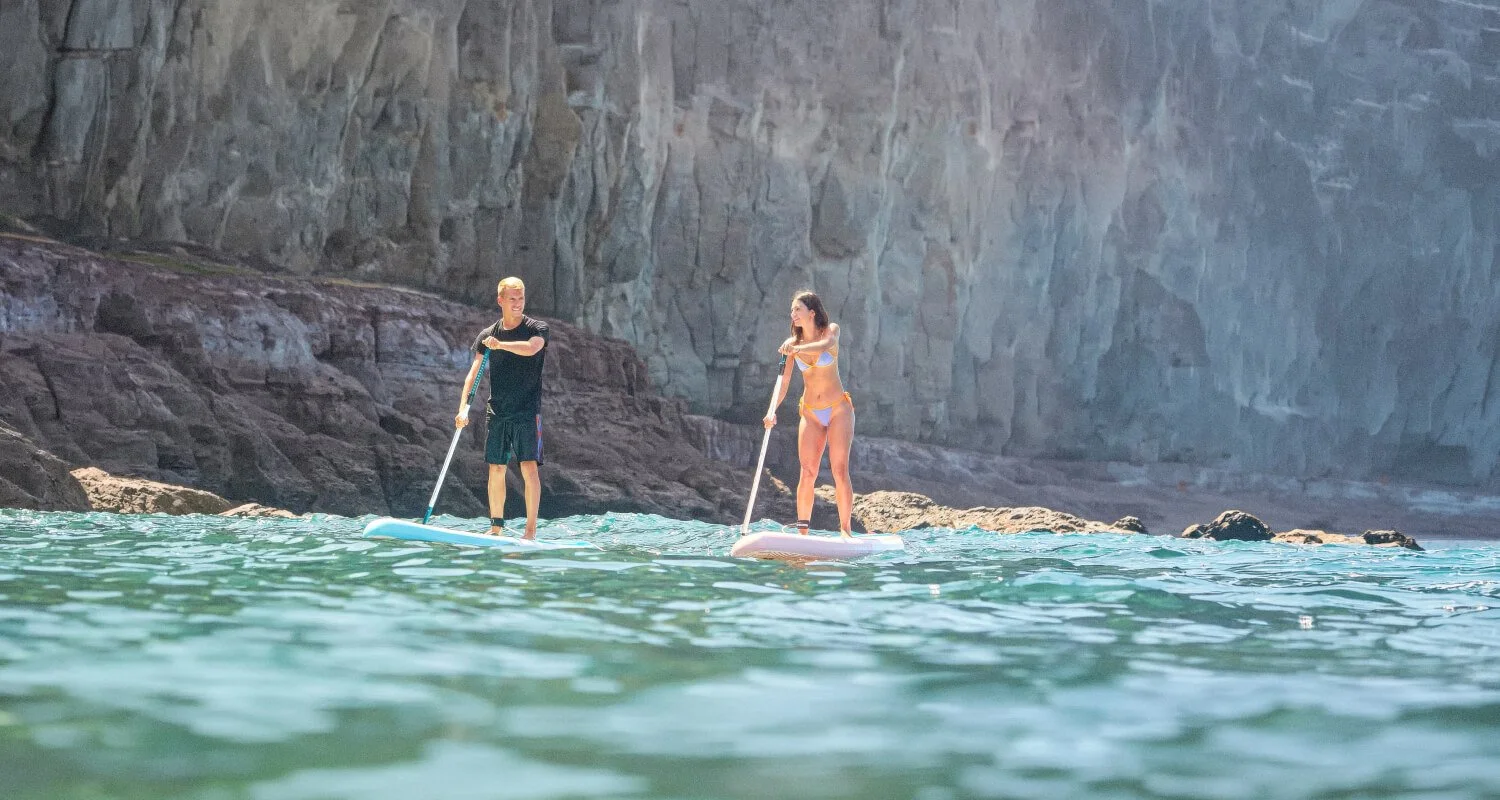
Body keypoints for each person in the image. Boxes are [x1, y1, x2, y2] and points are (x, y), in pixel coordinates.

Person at [455, 277, 549, 538]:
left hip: (528, 412)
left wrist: (501, 346)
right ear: (501, 301)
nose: (517, 304)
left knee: (528, 467)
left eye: (521, 299)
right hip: (498, 411)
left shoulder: (537, 328)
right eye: (512, 299)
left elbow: (532, 349)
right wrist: (463, 409)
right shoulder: (487, 336)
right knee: (496, 468)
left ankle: (530, 532)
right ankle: (496, 528)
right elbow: (473, 375)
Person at [763, 290, 856, 538]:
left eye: (797, 309)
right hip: (811, 413)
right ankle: (802, 532)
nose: (792, 314)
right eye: (792, 310)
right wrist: (772, 411)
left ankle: (845, 531)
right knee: (807, 471)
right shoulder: (792, 344)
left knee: (839, 469)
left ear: (811, 312)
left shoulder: (830, 331)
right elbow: (783, 383)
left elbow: (826, 346)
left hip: (838, 409)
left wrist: (796, 350)